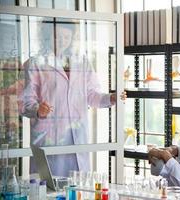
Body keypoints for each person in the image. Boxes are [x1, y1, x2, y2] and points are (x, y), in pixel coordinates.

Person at [21, 20, 126, 176]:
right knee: (49, 188)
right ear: (47, 36)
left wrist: (110, 98)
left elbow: (91, 95)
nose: (62, 41)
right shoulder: (35, 64)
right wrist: (38, 110)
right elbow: (25, 101)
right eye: (57, 36)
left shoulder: (82, 62)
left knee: (78, 187)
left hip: (77, 137)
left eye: (66, 37)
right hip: (50, 138)